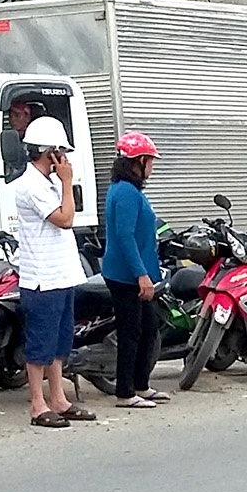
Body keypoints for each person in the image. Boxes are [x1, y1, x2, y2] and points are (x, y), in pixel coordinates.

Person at [10, 117, 95, 429]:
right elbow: (65, 219)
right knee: (40, 344)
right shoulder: (31, 185)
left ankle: (58, 398)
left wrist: (63, 183)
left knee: (60, 341)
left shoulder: (48, 183)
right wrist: (67, 183)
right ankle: (38, 404)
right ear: (51, 152)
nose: (66, 159)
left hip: (61, 273)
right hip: (42, 277)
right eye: (62, 153)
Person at [102, 132, 167, 409]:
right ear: (139, 161)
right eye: (150, 161)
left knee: (149, 327)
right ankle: (125, 392)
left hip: (134, 272)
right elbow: (125, 236)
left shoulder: (127, 190)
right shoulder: (126, 193)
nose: (152, 167)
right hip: (126, 275)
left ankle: (141, 384)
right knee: (131, 333)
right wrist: (141, 275)